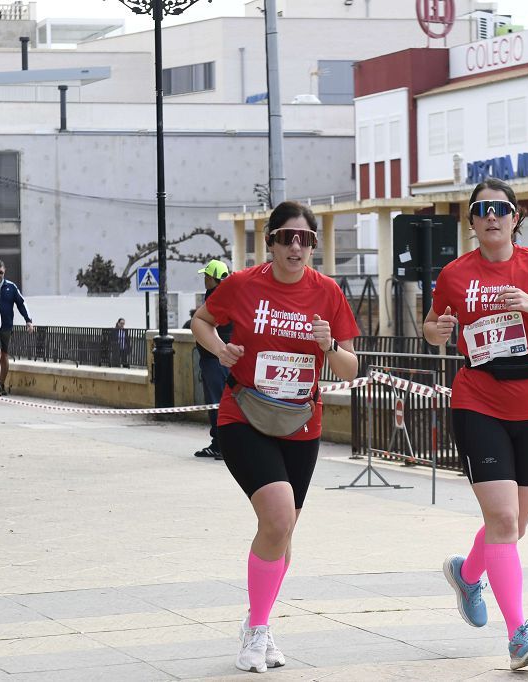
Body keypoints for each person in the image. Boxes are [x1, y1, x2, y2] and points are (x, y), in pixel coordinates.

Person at [422, 178, 528, 671]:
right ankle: (520, 633)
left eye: (501, 208)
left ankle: (467, 573)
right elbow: (432, 325)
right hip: (478, 399)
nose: (491, 217)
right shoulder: (455, 274)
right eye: (481, 210)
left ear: (516, 217)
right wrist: (438, 330)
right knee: (502, 520)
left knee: (514, 527)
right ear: (471, 222)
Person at [192, 201, 360, 673]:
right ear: (270, 242)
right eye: (287, 237)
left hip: (300, 423)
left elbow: (350, 366)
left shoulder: (327, 293)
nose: (295, 246)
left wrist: (328, 345)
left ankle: (256, 621)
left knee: (282, 533)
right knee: (279, 516)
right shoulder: (242, 285)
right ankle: (258, 633)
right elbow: (200, 322)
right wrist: (222, 349)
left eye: (305, 239)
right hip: (244, 414)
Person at [194, 260, 233, 461]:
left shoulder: (218, 298)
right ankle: (221, 444)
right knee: (220, 403)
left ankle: (222, 445)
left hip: (215, 360)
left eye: (207, 276)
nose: (204, 279)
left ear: (213, 279)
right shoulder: (228, 294)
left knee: (218, 403)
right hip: (220, 359)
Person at [0, 259, 33, 396]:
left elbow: (21, 304)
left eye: (1, 272)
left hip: (6, 326)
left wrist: (28, 320)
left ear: (4, 272)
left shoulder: (11, 287)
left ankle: (2, 384)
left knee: (4, 355)